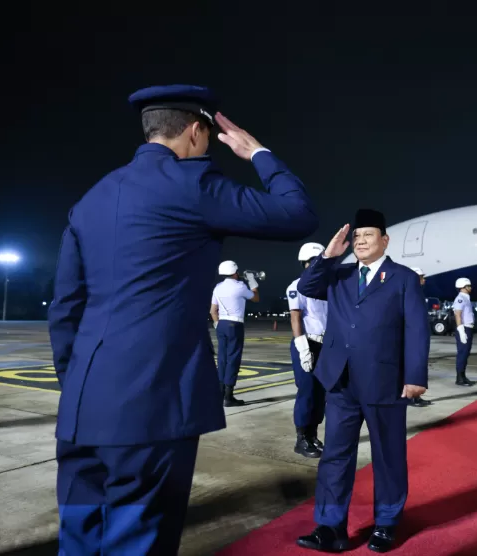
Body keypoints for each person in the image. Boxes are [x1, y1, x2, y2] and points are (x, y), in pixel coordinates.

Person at [47, 84, 318, 555]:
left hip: (81, 407)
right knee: (138, 539)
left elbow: (65, 307)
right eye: (209, 137)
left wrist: (77, 386)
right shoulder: (194, 185)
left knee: (80, 538)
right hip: (151, 405)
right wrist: (258, 153)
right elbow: (298, 214)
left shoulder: (91, 198)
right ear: (195, 130)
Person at [295, 209, 430, 553]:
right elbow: (306, 286)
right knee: (336, 456)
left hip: (384, 380)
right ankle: (330, 527)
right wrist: (328, 255)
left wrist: (415, 376)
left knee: (388, 455)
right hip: (340, 381)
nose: (360, 241)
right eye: (356, 237)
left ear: (385, 240)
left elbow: (417, 328)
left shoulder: (403, 278)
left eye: (368, 235)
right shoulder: (338, 275)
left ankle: (386, 523)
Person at [286, 242, 329, 458]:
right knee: (307, 391)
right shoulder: (297, 285)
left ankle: (313, 435)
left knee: (321, 393)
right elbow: (296, 317)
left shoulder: (329, 286)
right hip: (306, 342)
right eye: (311, 262)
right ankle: (301, 438)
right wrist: (302, 346)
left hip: (326, 344)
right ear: (304, 264)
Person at [211, 260, 260, 407]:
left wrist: (217, 324)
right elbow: (256, 298)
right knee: (233, 359)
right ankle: (228, 396)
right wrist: (252, 281)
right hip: (235, 324)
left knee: (222, 359)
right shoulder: (239, 286)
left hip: (221, 324)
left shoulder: (217, 287)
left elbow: (213, 311)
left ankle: (219, 394)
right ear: (234, 272)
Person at [407, 267, 433, 407]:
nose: (424, 279)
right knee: (414, 367)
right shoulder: (409, 293)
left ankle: (416, 396)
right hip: (413, 336)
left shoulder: (417, 293)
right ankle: (411, 397)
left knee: (420, 366)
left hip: (419, 335)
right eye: (422, 277)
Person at [453, 277, 476, 386]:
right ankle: (459, 378)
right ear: (463, 287)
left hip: (468, 327)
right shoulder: (460, 298)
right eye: (469, 286)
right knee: (462, 353)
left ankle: (463, 376)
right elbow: (458, 314)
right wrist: (461, 330)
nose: (470, 288)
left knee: (466, 353)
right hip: (464, 328)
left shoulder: (466, 298)